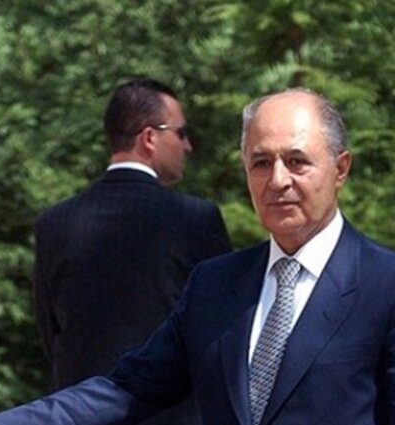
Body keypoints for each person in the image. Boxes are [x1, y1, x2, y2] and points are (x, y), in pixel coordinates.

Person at [0, 88, 395, 424]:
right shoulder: (216, 284)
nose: (278, 180)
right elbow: (126, 390)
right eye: (261, 162)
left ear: (341, 168)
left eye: (297, 161)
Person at [32, 78, 232, 425]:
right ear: (149, 137)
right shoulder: (196, 220)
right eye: (181, 133)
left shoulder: (55, 223)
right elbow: (221, 331)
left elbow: (51, 334)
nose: (187, 146)